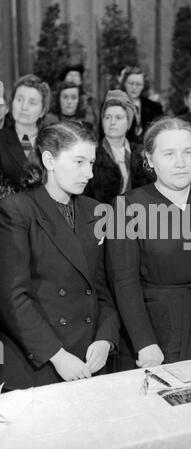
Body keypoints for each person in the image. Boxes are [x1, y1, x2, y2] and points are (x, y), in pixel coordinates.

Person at [105, 117, 191, 371]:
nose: (181, 163)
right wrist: (144, 342)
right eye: (169, 154)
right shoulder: (124, 206)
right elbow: (123, 282)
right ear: (149, 159)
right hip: (156, 336)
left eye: (188, 152)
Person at [0, 120, 119, 391]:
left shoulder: (98, 211)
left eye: (91, 162)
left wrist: (105, 338)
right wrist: (58, 356)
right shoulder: (16, 211)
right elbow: (11, 299)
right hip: (38, 361)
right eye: (79, 162)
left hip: (88, 358)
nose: (88, 173)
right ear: (49, 160)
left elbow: (104, 288)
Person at [85, 89, 154, 204]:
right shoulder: (92, 154)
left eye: (118, 118)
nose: (112, 122)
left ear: (128, 123)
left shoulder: (141, 153)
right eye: (107, 117)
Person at [0, 74, 51, 193]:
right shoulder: (1, 139)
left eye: (32, 103)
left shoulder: (53, 139)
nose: (24, 107)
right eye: (19, 99)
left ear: (43, 111)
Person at [119, 66, 163, 144]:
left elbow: (161, 133)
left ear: (144, 86)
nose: (134, 87)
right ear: (124, 84)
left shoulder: (154, 107)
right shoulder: (114, 105)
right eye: (131, 83)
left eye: (138, 84)